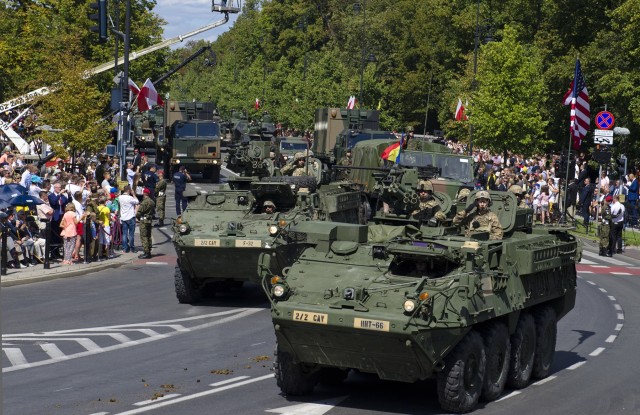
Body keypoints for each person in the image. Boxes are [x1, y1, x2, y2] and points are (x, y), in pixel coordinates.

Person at [118, 185, 139, 253]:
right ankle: (132, 248)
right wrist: (133, 194)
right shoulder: (130, 198)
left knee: (124, 234)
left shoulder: (120, 197)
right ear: (129, 190)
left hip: (123, 218)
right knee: (131, 234)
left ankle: (125, 248)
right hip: (130, 217)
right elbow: (137, 202)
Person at [137, 188, 155, 259]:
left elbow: (139, 212)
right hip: (149, 220)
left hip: (143, 221)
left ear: (144, 193)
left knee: (144, 236)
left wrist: (138, 218)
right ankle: (149, 250)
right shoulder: (152, 201)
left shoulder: (144, 202)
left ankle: (146, 252)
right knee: (148, 236)